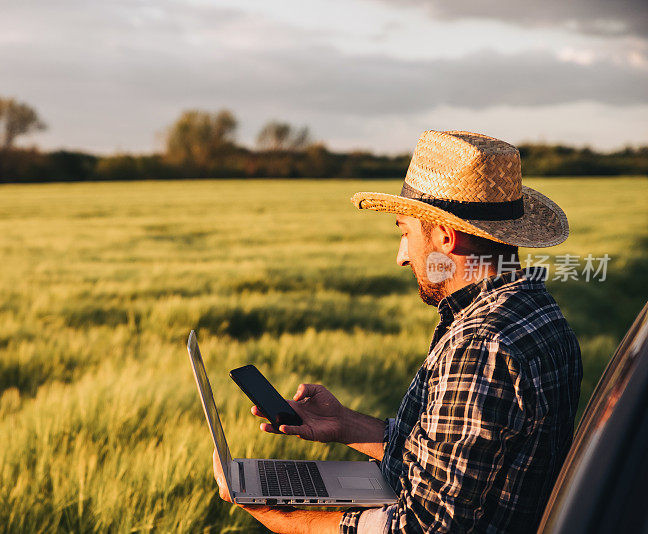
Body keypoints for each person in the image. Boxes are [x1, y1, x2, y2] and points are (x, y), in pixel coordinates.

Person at [212, 130, 583, 533]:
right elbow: (460, 460)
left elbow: (423, 528)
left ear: (445, 236)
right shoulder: (536, 310)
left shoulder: (482, 346)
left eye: (405, 232)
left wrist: (271, 512)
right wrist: (345, 425)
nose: (401, 256)